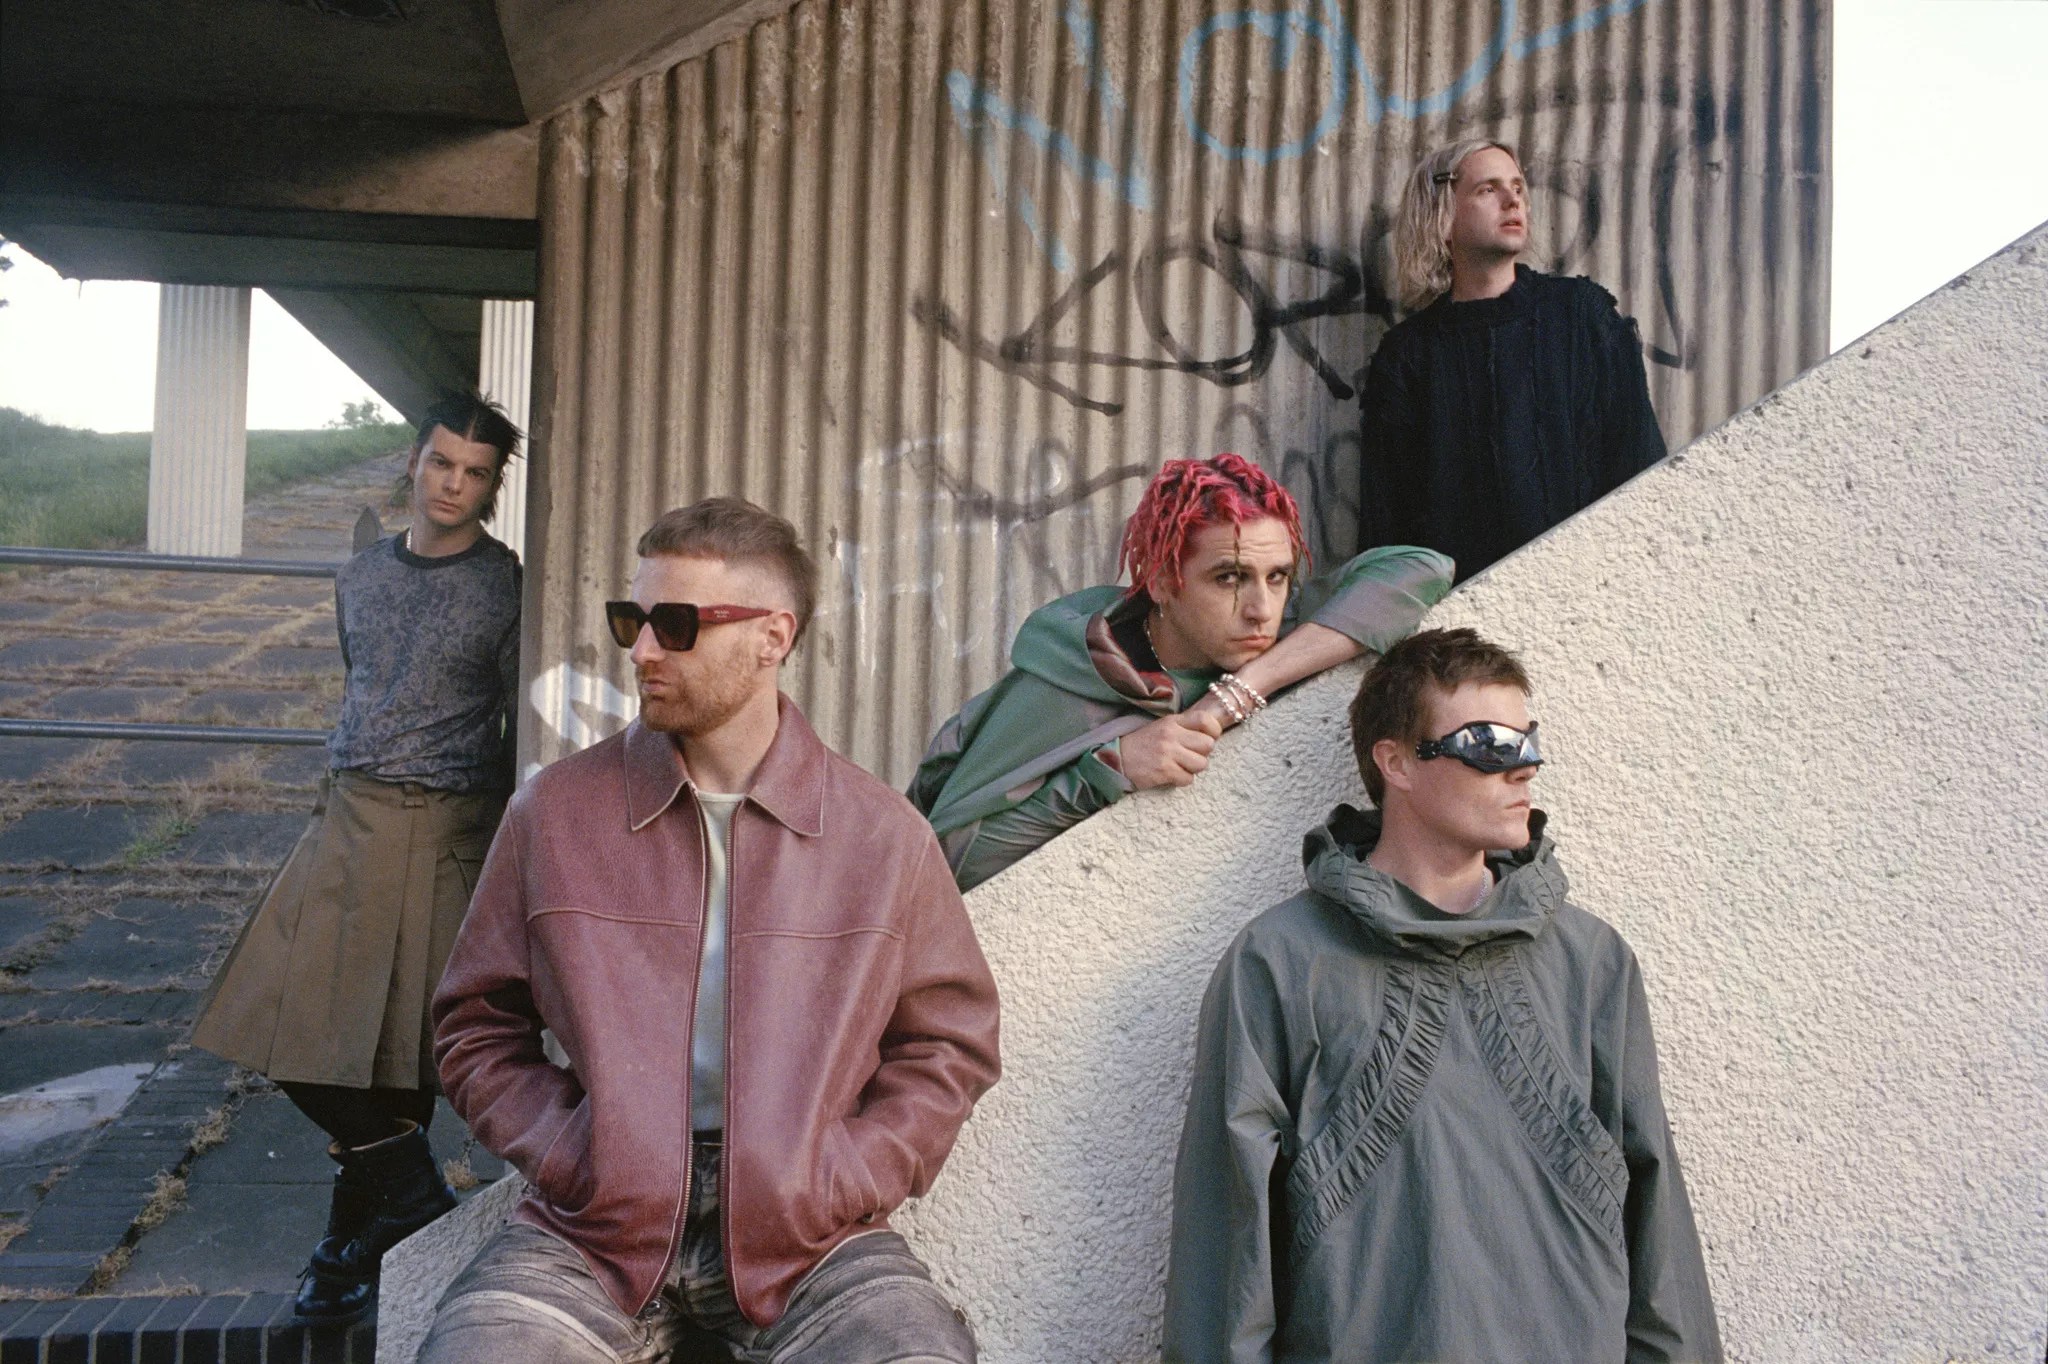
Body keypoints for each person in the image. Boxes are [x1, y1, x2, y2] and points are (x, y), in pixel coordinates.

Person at [419, 497, 1001, 1363]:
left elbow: (950, 1044)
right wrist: (571, 1152)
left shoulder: (881, 836)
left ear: (774, 637)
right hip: (593, 1234)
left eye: (677, 624)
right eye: (634, 619)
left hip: (810, 1242)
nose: (643, 650)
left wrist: (839, 1178)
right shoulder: (556, 814)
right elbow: (475, 1023)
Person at [1164, 627, 1722, 1363]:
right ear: (1395, 762)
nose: (1524, 769)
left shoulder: (1592, 963)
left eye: (1529, 741)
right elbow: (1223, 1258)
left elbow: (1661, 1243)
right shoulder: (1280, 964)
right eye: (1491, 745)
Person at [189, 391, 523, 1324]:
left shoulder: (507, 586)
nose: (453, 483)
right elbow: (362, 681)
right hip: (348, 819)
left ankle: (350, 1247)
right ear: (413, 461)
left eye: (475, 472)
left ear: (493, 486)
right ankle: (422, 1215)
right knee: (288, 1037)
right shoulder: (362, 576)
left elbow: (512, 723)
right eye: (441, 462)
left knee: (401, 1062)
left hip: (450, 825)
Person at [910, 453, 1452, 890]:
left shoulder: (1278, 631)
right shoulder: (1069, 685)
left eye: (1279, 575)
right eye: (1229, 578)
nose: (1262, 609)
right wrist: (1110, 769)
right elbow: (948, 866)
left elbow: (1423, 569)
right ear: (1165, 583)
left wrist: (1241, 691)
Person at [1359, 139, 1668, 581]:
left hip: (1592, 591)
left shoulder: (1582, 316)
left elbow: (1639, 465)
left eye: (1518, 188)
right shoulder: (1409, 355)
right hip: (1463, 623)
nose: (1512, 200)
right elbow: (1388, 524)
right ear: (1442, 216)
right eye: (1488, 189)